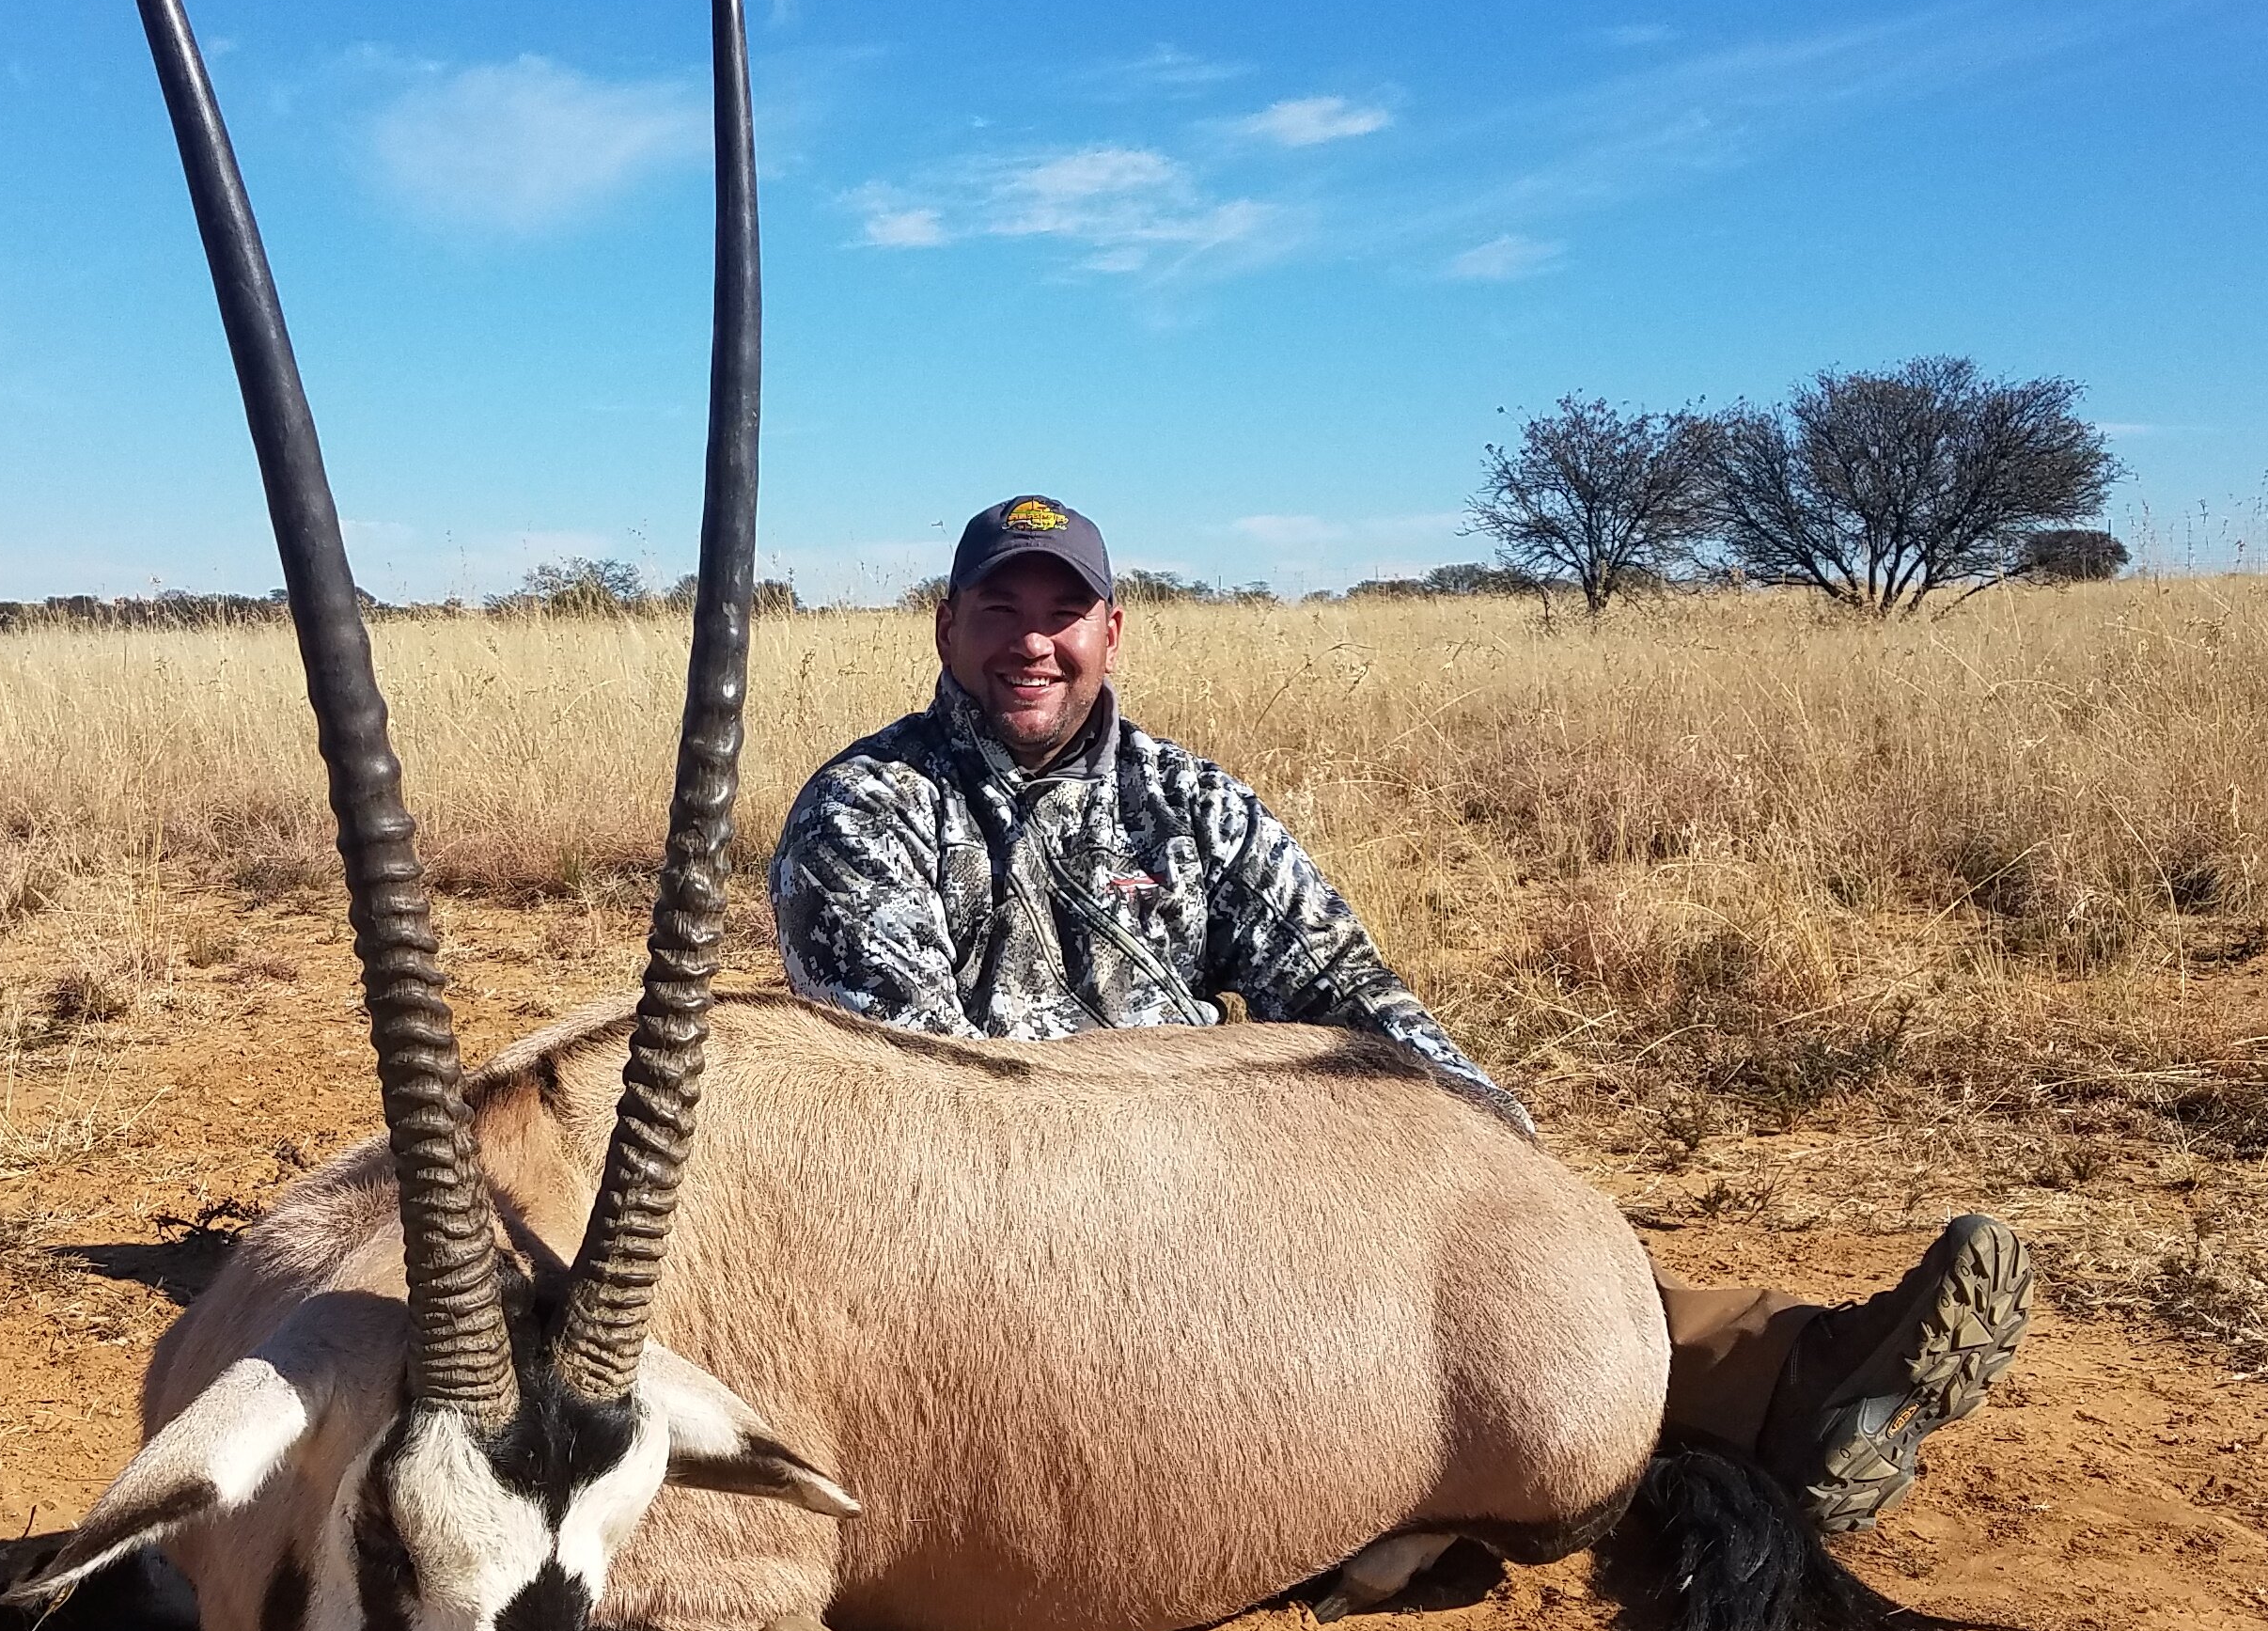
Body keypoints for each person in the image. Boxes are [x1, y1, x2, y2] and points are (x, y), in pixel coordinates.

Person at [769, 491, 2031, 1533]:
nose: (1032, 645)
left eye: (1064, 615)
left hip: (1214, 1174)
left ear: (1115, 630)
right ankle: (1769, 1393)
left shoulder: (1189, 800)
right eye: (1002, 610)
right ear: (947, 625)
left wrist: (1476, 1123)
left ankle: (1791, 1370)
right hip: (1006, 1243)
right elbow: (921, 1102)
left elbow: (1340, 980)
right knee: (1409, 1350)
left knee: (1471, 1249)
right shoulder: (864, 811)